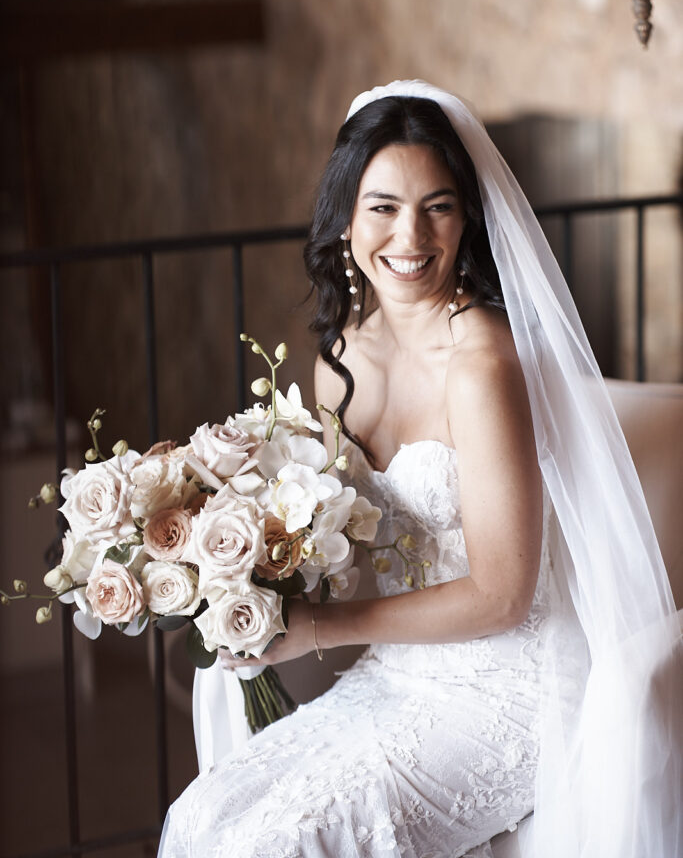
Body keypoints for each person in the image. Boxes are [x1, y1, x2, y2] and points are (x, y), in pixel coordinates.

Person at [159, 81, 681, 858]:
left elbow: (502, 596)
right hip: (397, 672)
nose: (410, 235)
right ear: (344, 216)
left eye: (437, 206)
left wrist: (318, 630)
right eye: (383, 207)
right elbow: (335, 534)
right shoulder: (340, 359)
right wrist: (239, 571)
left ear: (467, 218)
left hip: (508, 692)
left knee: (282, 843)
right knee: (202, 817)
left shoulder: (481, 364)